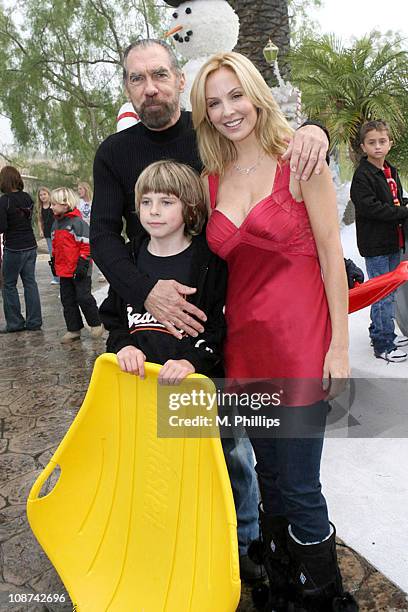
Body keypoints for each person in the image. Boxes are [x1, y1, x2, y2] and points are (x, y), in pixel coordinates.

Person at [90, 38, 330, 582]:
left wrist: (317, 128)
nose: (149, 87)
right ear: (126, 87)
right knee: (177, 450)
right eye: (136, 78)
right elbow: (103, 236)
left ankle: (249, 547)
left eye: (158, 74)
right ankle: (199, 544)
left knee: (240, 451)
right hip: (149, 318)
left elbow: (268, 133)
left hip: (224, 320)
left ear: (178, 78)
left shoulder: (212, 130)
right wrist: (141, 294)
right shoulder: (113, 153)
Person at [190, 51, 358, 611]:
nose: (227, 110)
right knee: (268, 476)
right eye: (214, 102)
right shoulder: (210, 181)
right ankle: (285, 587)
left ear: (256, 92)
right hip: (245, 351)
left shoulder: (300, 160)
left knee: (302, 485)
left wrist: (339, 347)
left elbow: (334, 257)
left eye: (235, 95)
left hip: (302, 342)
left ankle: (325, 597)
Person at [99, 160, 226, 384]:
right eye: (146, 201)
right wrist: (124, 346)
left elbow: (216, 330)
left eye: (166, 202)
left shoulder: (208, 263)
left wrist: (191, 361)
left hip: (189, 390)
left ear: (190, 207)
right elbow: (115, 320)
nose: (154, 211)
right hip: (138, 388)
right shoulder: (128, 260)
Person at [351, 120, 408, 363]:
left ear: (389, 144)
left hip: (394, 241)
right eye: (372, 142)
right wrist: (403, 212)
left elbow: (397, 199)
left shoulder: (391, 170)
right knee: (380, 294)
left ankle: (385, 332)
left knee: (391, 292)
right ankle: (382, 344)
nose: (377, 147)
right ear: (363, 146)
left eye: (382, 142)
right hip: (376, 246)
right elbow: (371, 208)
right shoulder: (362, 176)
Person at [50, 187, 103, 344]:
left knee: (83, 297)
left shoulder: (78, 223)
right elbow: (55, 246)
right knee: (67, 300)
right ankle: (73, 329)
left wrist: (83, 263)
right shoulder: (56, 225)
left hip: (80, 269)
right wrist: (54, 262)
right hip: (64, 270)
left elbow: (86, 245)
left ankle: (96, 324)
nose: (51, 207)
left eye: (54, 204)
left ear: (66, 205)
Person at [0, 166, 42, 333]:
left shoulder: (4, 201)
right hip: (31, 246)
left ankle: (15, 323)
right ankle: (34, 322)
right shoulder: (27, 198)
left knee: (9, 285)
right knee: (30, 283)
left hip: (14, 248)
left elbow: (2, 227)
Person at [77, 181, 105, 283]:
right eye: (78, 189)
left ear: (86, 189)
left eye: (81, 189)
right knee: (87, 253)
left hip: (95, 228)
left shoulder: (94, 200)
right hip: (83, 230)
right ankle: (87, 273)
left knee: (98, 251)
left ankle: (103, 273)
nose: (79, 191)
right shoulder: (78, 202)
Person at [36, 186, 59, 284]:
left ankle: (65, 276)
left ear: (49, 194)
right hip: (48, 234)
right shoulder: (41, 208)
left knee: (60, 253)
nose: (43, 196)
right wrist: (40, 230)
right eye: (41, 195)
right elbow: (40, 220)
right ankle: (56, 277)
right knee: (52, 255)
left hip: (57, 233)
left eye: (44, 194)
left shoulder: (53, 205)